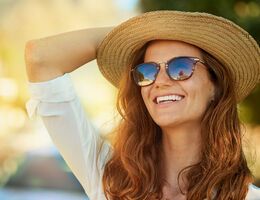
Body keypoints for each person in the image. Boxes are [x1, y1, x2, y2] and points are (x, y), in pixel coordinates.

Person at [24, 10, 260, 200]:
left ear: (215, 87)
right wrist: (133, 34)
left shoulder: (246, 197)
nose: (160, 82)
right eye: (148, 71)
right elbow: (40, 56)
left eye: (181, 68)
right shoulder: (111, 180)